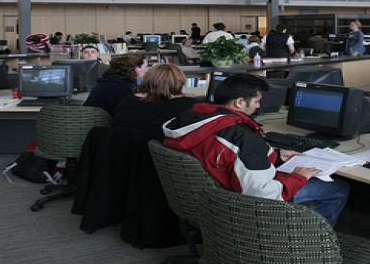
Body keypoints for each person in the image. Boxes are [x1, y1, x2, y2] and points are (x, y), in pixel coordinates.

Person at [164, 74, 349, 226]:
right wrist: (298, 178)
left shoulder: (193, 118)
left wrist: (275, 155)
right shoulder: (242, 137)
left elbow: (227, 151)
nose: (258, 106)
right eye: (257, 101)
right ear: (239, 102)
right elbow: (265, 196)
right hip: (242, 204)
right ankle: (311, 242)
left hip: (211, 198)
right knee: (338, 188)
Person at [112, 64, 197, 140]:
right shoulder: (186, 105)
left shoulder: (127, 100)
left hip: (119, 148)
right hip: (159, 151)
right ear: (179, 82)